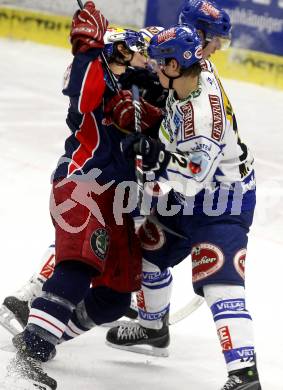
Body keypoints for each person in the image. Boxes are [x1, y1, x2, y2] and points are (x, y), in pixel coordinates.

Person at [1, 3, 164, 389]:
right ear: (117, 52)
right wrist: (88, 47)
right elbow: (81, 92)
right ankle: (30, 356)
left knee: (116, 294)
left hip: (119, 199)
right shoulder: (95, 76)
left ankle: (42, 335)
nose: (148, 60)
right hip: (83, 184)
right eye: (137, 52)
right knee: (78, 265)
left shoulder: (147, 93)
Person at [106, 20, 261, 390]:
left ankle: (244, 375)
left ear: (175, 67)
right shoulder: (195, 66)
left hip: (223, 200)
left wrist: (155, 156)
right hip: (192, 189)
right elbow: (175, 42)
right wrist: (125, 45)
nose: (153, 67)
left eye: (159, 64)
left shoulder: (202, 123)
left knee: (220, 283)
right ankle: (152, 327)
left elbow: (190, 180)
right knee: (147, 252)